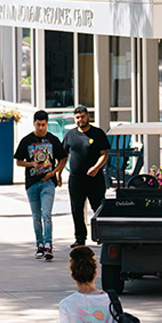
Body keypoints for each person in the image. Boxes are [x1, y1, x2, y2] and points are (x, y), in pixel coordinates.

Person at [14, 109, 67, 261]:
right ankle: (39, 244)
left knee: (47, 214)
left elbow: (63, 159)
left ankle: (48, 244)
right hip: (32, 183)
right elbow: (18, 161)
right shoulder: (27, 140)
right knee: (36, 215)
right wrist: (32, 164)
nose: (41, 128)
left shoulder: (53, 140)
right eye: (38, 125)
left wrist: (55, 173)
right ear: (34, 124)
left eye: (43, 125)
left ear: (47, 124)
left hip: (48, 182)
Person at [62, 106, 110, 248]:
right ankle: (80, 238)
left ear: (88, 116)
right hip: (76, 179)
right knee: (76, 209)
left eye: (82, 116)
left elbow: (104, 154)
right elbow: (64, 156)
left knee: (98, 208)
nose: (80, 120)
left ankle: (104, 236)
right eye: (77, 117)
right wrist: (58, 173)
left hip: (95, 179)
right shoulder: (70, 135)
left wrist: (96, 168)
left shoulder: (97, 133)